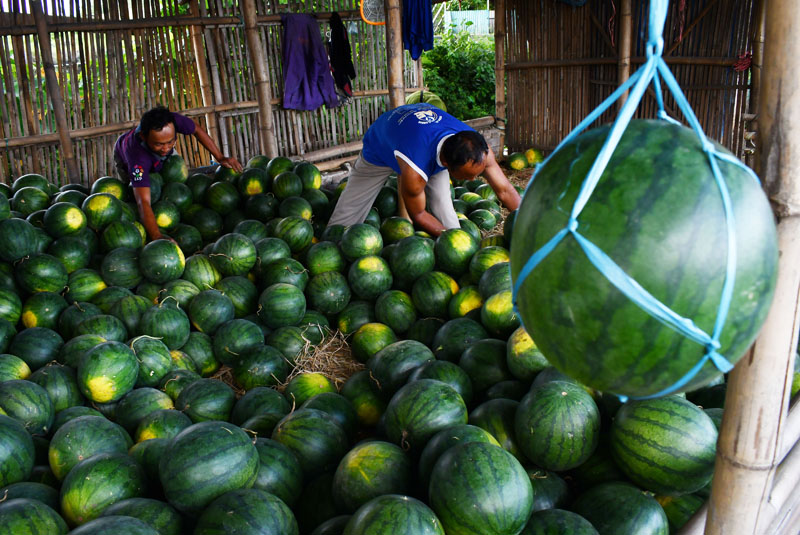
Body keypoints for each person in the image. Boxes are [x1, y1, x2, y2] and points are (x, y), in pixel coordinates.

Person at [327, 103, 520, 237]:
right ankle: (330, 245)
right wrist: (448, 239)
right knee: (349, 210)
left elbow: (505, 190)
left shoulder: (477, 150)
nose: (473, 180)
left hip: (417, 136)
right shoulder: (415, 171)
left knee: (443, 206)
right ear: (445, 164)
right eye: (468, 176)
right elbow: (418, 214)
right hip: (382, 144)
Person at [114, 105, 243, 242]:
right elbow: (143, 202)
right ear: (144, 137)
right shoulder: (137, 159)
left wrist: (220, 157)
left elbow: (197, 130)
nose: (165, 148)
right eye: (159, 144)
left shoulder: (173, 121)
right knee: (142, 192)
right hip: (127, 159)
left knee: (173, 183)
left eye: (171, 142)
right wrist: (157, 236)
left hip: (155, 156)